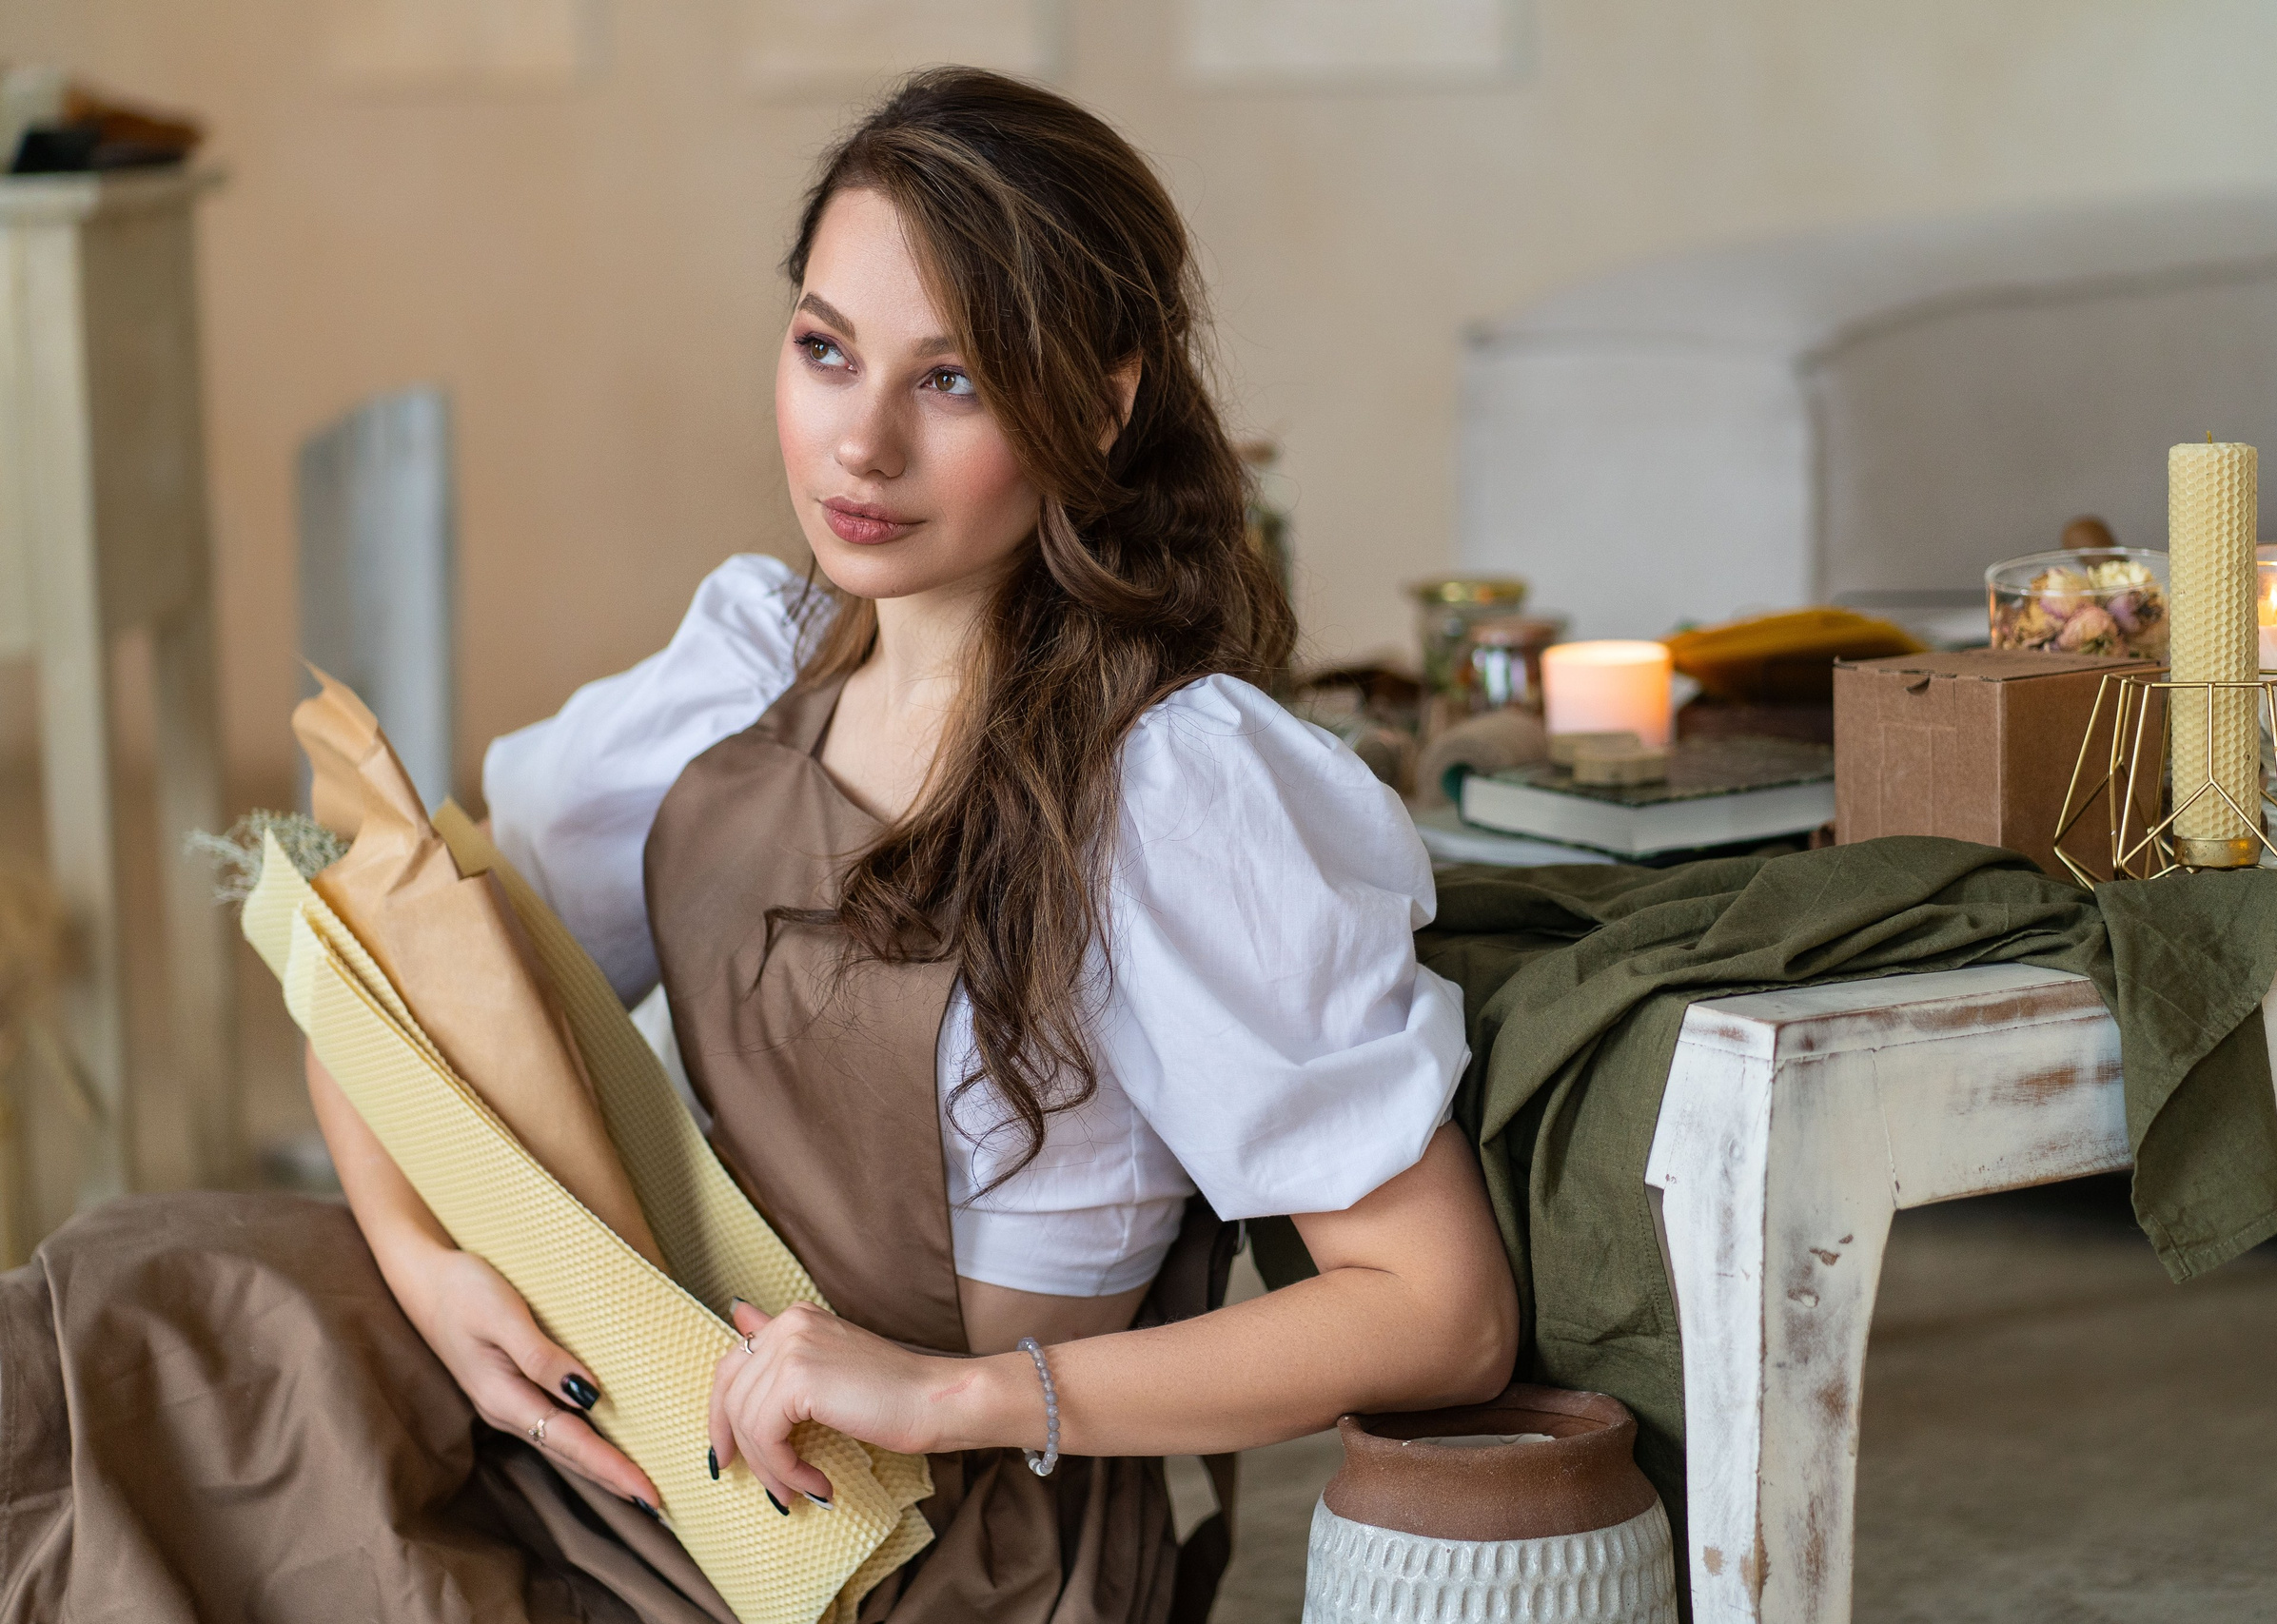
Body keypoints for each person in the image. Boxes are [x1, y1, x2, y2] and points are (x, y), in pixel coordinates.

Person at [0, 68, 1516, 1624]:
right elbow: (398, 994)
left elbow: (1438, 1309)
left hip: (887, 1544)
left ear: (1104, 403)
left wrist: (948, 1397)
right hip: (619, 1407)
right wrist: (431, 1270)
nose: (857, 446)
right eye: (824, 350)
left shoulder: (1171, 793)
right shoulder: (755, 658)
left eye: (953, 382)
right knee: (97, 1348)